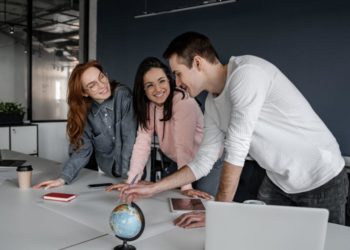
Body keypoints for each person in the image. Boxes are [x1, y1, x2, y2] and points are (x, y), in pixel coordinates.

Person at [121, 32, 348, 227]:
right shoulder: (211, 103)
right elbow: (202, 162)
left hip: (320, 176)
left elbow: (237, 148)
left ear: (198, 63)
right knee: (267, 241)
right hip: (279, 181)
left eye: (178, 73)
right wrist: (154, 188)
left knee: (325, 243)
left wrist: (217, 213)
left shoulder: (246, 74)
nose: (176, 83)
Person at [107, 57, 222, 198]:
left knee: (204, 204)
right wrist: (131, 181)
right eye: (150, 85)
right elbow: (142, 144)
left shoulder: (182, 100)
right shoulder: (149, 107)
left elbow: (183, 145)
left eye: (161, 81)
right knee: (171, 200)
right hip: (180, 161)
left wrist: (185, 186)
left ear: (169, 80)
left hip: (208, 160)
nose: (157, 89)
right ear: (143, 89)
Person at [33, 60, 136, 189]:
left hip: (132, 175)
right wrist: (63, 178)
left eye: (101, 77)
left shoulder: (123, 96)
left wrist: (129, 180)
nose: (102, 85)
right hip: (107, 175)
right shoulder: (86, 112)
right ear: (84, 93)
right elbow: (83, 150)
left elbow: (129, 140)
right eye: (93, 85)